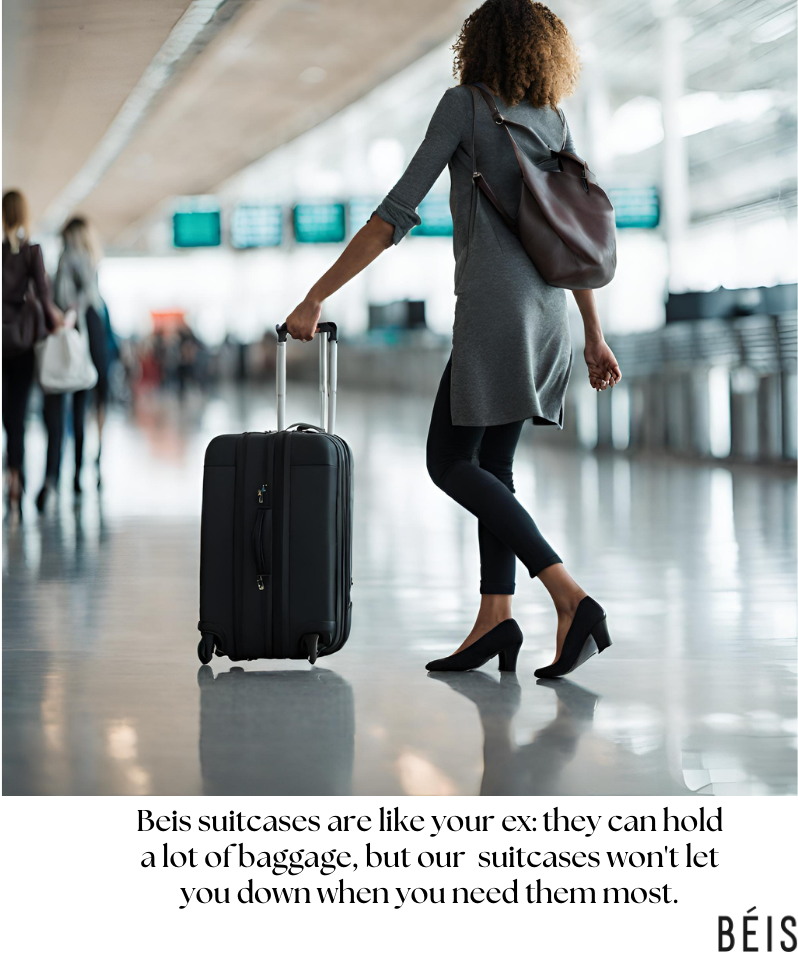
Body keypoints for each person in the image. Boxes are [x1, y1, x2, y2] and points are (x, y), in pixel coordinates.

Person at [283, 0, 621, 678]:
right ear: (542, 52)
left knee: (447, 460)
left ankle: (568, 594)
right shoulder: (550, 119)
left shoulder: (465, 106)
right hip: (551, 313)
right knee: (491, 466)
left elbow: (393, 213)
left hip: (496, 309)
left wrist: (318, 293)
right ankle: (495, 619)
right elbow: (572, 234)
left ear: (479, 46)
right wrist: (592, 332)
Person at [37, 216, 112, 508]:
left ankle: (51, 478)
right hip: (89, 333)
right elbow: (89, 298)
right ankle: (78, 477)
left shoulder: (68, 257)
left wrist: (65, 314)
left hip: (67, 333)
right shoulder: (93, 262)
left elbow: (62, 297)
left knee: (56, 410)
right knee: (81, 410)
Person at [2, 190, 62, 512]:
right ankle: (16, 478)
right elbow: (44, 297)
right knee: (19, 412)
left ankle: (11, 473)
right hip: (23, 344)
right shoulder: (32, 252)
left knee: (5, 415)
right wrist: (59, 324)